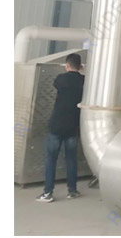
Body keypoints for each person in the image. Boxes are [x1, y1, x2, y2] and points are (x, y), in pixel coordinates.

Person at [36, 53, 85, 203]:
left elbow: (57, 85)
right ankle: (72, 190)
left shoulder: (61, 79)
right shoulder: (84, 81)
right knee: (71, 159)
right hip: (73, 125)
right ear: (80, 66)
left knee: (51, 159)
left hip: (57, 125)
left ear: (67, 66)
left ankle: (48, 193)